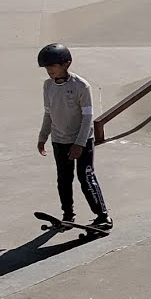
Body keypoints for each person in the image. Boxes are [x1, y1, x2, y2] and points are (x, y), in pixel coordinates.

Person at [36, 42, 110, 231]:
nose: (49, 70)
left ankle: (103, 216)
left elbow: (87, 118)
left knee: (85, 177)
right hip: (59, 140)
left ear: (66, 64)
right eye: (46, 67)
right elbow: (48, 113)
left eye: (53, 66)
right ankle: (67, 215)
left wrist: (80, 143)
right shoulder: (48, 86)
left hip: (82, 140)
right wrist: (43, 136)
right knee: (63, 179)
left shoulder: (81, 86)